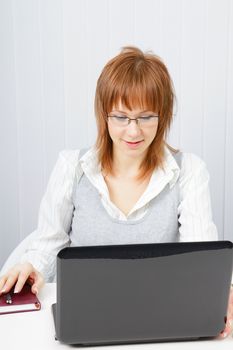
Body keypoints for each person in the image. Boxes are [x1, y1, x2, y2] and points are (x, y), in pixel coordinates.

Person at [0, 46, 232, 338]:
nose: (133, 132)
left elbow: (201, 261)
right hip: (86, 319)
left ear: (163, 115)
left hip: (161, 319)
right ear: (104, 115)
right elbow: (48, 244)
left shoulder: (189, 171)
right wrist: (32, 267)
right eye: (121, 117)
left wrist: (218, 291)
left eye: (146, 117)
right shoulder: (72, 167)